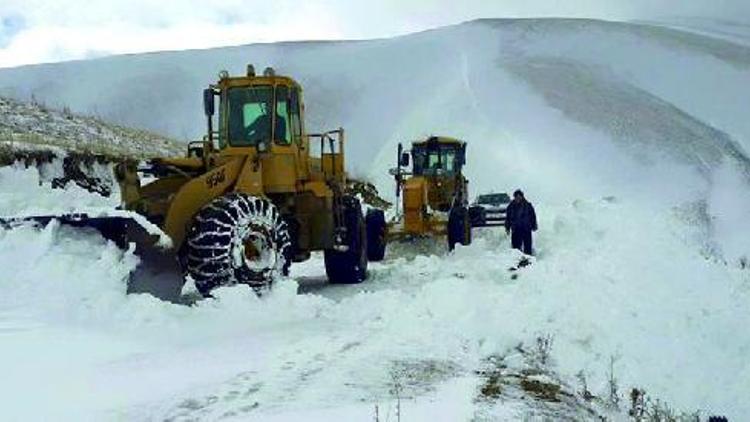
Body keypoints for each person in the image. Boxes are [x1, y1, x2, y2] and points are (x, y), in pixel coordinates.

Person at [504, 189, 537, 255]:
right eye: (516, 197)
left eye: (519, 196)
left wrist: (534, 225)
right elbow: (508, 218)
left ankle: (528, 260)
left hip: (526, 229)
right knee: (516, 248)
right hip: (516, 229)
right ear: (514, 197)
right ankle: (516, 260)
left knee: (527, 246)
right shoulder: (510, 206)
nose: (518, 198)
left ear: (522, 197)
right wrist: (507, 227)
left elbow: (532, 216)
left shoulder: (528, 205)